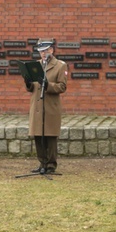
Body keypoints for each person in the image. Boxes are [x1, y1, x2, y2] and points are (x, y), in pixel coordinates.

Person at [26, 38, 68, 174]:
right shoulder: (37, 65)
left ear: (51, 50)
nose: (43, 54)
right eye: (41, 51)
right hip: (37, 105)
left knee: (50, 137)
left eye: (45, 51)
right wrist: (28, 83)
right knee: (38, 135)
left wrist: (48, 85)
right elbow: (33, 87)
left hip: (50, 106)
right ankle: (42, 163)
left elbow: (62, 86)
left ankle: (51, 165)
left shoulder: (60, 66)